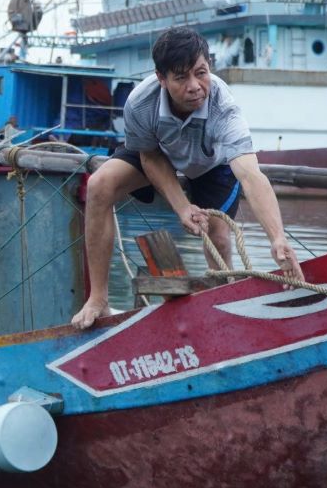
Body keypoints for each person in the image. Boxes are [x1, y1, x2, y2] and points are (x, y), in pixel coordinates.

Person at [71, 26, 304, 329]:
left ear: (210, 66)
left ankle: (222, 313)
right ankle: (98, 299)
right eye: (181, 77)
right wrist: (182, 206)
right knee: (100, 184)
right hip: (160, 152)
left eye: (201, 72)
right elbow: (149, 156)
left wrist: (277, 237)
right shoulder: (141, 103)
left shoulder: (224, 106)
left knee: (218, 236)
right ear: (161, 78)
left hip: (211, 163)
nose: (195, 86)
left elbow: (250, 174)